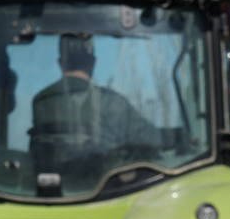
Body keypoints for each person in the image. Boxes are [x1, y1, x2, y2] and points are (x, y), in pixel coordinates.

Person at [30, 34, 159, 180]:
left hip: (50, 190)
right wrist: (179, 136)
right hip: (105, 189)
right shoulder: (111, 101)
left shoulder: (41, 101)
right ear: (93, 63)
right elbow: (152, 140)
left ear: (61, 63)